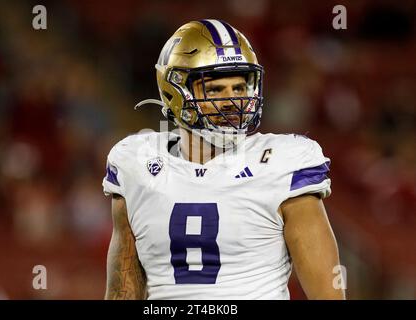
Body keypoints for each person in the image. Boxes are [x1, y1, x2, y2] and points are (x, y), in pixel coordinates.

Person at [102, 19, 345, 300]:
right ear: (175, 92)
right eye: (216, 89)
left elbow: (328, 295)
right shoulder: (137, 164)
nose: (232, 100)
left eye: (239, 88)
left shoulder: (282, 163)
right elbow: (123, 290)